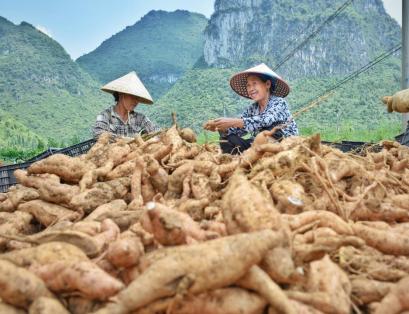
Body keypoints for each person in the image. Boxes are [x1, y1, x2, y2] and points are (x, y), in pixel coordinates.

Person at [204, 63, 298, 154]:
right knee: (227, 140)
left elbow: (265, 120)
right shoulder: (252, 109)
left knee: (272, 129)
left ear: (267, 84)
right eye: (248, 85)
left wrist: (232, 122)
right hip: (257, 144)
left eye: (254, 83)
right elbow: (237, 130)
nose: (251, 88)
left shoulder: (279, 102)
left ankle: (263, 152)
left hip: (282, 142)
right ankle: (250, 157)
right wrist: (220, 127)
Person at [92, 71, 158, 138]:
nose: (136, 101)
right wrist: (124, 140)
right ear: (121, 94)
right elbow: (98, 133)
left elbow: (156, 133)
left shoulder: (141, 119)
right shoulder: (105, 115)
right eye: (133, 97)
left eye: (138, 98)